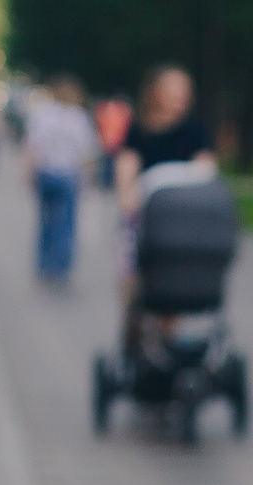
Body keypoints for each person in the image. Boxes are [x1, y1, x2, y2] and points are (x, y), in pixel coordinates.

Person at [115, 66, 217, 333]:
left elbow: (205, 167)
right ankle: (132, 327)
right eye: (172, 90)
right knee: (132, 275)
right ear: (156, 93)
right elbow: (127, 163)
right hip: (145, 211)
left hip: (180, 217)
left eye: (183, 91)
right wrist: (127, 193)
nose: (179, 96)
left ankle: (166, 334)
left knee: (175, 276)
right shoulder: (139, 129)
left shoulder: (194, 130)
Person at [24, 77, 99, 283]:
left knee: (45, 221)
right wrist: (90, 178)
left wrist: (28, 173)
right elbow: (87, 152)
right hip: (68, 175)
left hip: (46, 172)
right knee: (66, 223)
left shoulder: (43, 114)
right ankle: (62, 266)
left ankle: (44, 264)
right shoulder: (79, 118)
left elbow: (33, 146)